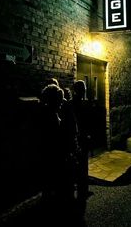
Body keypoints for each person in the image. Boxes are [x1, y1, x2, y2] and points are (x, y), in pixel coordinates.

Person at [61, 80, 92, 225]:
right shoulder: (82, 104)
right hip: (79, 138)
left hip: (77, 138)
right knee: (81, 164)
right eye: (83, 88)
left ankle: (79, 188)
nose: (84, 91)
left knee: (79, 163)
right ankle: (81, 189)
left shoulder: (70, 104)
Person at [40, 83, 65, 205]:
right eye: (59, 101)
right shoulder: (51, 116)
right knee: (52, 178)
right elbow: (56, 137)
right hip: (52, 153)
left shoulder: (47, 112)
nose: (61, 104)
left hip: (48, 153)